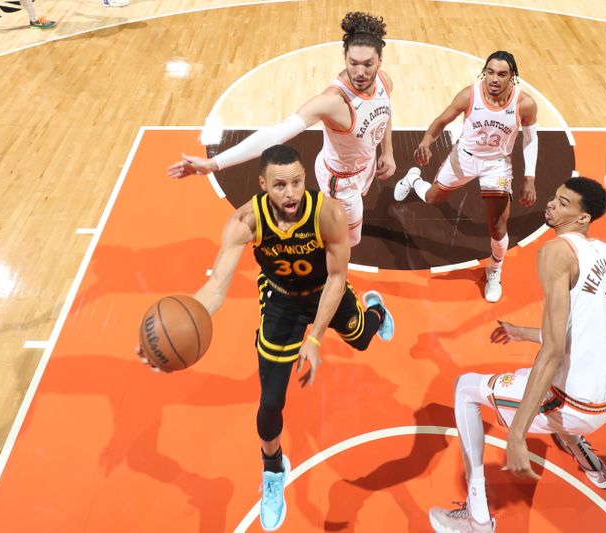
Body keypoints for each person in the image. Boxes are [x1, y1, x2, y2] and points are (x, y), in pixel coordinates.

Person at [141, 145, 394, 531]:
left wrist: (316, 339)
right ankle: (273, 467)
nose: (290, 193)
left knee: (361, 339)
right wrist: (168, 338)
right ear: (263, 185)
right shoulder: (245, 221)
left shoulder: (328, 214)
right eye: (279, 185)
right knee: (271, 400)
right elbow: (215, 286)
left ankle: (375, 309)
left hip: (325, 290)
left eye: (296, 182)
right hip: (281, 301)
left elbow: (338, 278)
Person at [428, 177, 606, 533]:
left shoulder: (555, 253)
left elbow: (553, 351)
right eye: (555, 197)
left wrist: (517, 434)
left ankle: (477, 519)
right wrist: (523, 333)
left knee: (465, 388)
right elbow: (586, 335)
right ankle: (587, 458)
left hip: (574, 404)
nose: (551, 204)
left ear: (583, 218)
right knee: (558, 382)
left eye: (564, 203)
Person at [167, 12, 395, 247]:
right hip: (341, 180)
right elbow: (275, 134)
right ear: (344, 58)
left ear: (379, 62)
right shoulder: (332, 102)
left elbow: (385, 110)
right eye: (352, 63)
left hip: (364, 167)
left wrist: (387, 151)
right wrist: (214, 164)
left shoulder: (384, 82)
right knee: (349, 241)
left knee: (344, 224)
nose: (360, 73)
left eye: (368, 64)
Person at [393, 50, 538, 302]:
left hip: (497, 165)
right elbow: (441, 120)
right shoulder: (469, 94)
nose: (494, 78)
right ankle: (414, 178)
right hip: (464, 157)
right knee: (432, 198)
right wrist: (427, 141)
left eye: (502, 74)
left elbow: (530, 139)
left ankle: (494, 269)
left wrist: (530, 177)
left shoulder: (524, 104)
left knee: (497, 225)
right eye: (490, 72)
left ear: (512, 76)